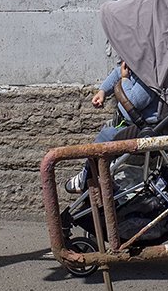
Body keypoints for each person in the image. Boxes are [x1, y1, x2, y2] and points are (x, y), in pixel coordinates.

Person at [64, 60, 160, 194]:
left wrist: (125, 79)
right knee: (108, 129)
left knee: (107, 137)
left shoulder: (151, 77)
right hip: (125, 121)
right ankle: (97, 173)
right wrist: (103, 91)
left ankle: (87, 176)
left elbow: (133, 100)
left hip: (142, 126)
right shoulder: (137, 63)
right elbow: (118, 72)